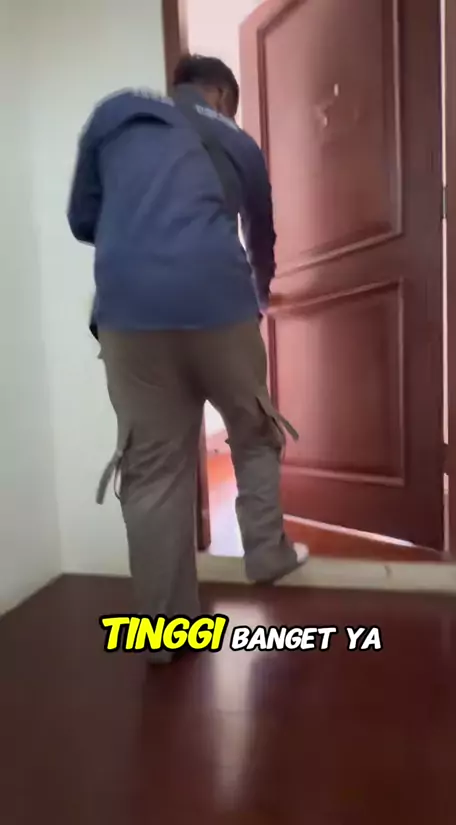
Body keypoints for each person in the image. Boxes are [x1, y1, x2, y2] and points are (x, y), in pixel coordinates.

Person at [67, 54, 309, 662]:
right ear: (222, 94)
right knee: (254, 431)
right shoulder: (236, 140)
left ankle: (162, 629)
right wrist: (256, 301)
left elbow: (82, 219)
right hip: (219, 303)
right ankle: (267, 555)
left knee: (152, 467)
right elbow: (261, 238)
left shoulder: (113, 116)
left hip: (128, 315)